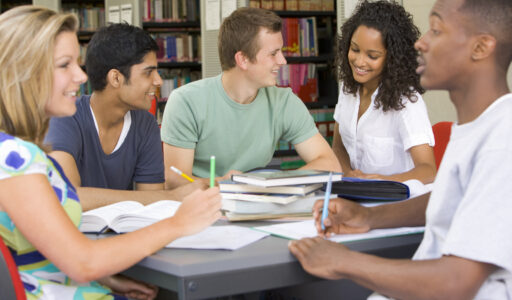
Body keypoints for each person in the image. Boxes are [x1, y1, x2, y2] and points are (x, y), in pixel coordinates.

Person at [289, 0, 512, 298]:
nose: (420, 42)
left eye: (435, 30)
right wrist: (368, 216)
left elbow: (457, 282)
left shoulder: (502, 142)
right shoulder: (475, 127)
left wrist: (345, 261)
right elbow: (448, 201)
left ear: (481, 48)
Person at [0, 6, 222, 299]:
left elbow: (32, 246)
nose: (81, 76)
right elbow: (83, 262)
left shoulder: (19, 152)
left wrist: (105, 277)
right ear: (24, 72)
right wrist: (178, 223)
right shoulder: (17, 159)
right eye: (65, 65)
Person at [160, 7, 341, 189]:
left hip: (260, 204)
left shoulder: (283, 101)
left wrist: (268, 183)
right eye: (273, 53)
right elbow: (175, 181)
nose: (283, 61)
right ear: (243, 59)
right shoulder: (186, 102)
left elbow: (329, 164)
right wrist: (219, 183)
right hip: (203, 205)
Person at [44, 23, 203, 211]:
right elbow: (70, 196)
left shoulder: (145, 123)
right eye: (148, 72)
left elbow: (154, 203)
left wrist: (162, 198)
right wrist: (170, 196)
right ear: (116, 78)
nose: (158, 81)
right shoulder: (65, 117)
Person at [332, 0, 436, 184]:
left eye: (372, 56)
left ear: (392, 58)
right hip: (356, 197)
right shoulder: (348, 89)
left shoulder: (407, 102)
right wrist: (347, 173)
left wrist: (383, 181)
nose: (359, 62)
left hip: (397, 204)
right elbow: (338, 147)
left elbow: (428, 171)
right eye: (355, 49)